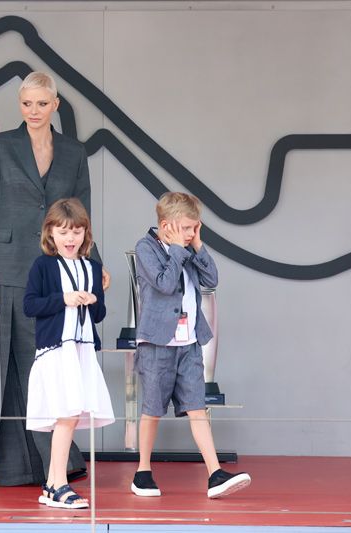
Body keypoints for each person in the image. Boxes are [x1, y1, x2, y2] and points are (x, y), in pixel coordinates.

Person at [0, 71, 109, 486]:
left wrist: (95, 263)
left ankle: (57, 462)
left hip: (63, 268)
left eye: (41, 104)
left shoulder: (73, 151)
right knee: (21, 363)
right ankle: (27, 466)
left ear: (56, 105)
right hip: (11, 267)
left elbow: (81, 214)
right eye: (26, 103)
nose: (34, 111)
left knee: (57, 360)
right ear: (20, 105)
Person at [131, 192, 250, 499]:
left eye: (195, 228)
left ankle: (215, 473)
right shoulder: (147, 248)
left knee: (198, 407)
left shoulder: (187, 248)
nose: (190, 234)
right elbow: (165, 284)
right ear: (165, 225)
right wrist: (176, 250)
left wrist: (196, 245)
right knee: (153, 409)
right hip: (157, 342)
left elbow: (212, 277)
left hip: (189, 343)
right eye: (186, 228)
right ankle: (142, 471)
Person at [23, 198, 114, 509]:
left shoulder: (93, 267)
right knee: (67, 413)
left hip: (83, 349)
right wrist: (64, 299)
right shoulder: (43, 266)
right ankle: (57, 484)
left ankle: (52, 485)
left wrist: (92, 299)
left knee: (71, 415)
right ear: (50, 233)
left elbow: (99, 314)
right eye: (63, 232)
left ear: (85, 233)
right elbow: (30, 305)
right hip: (56, 349)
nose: (70, 238)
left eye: (76, 231)